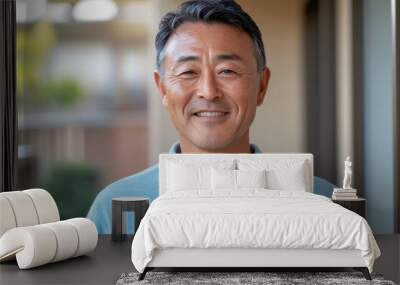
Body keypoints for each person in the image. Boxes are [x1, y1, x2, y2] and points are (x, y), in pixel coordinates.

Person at [87, 0, 335, 234]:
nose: (208, 91)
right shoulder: (115, 209)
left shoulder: (325, 201)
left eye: (227, 71)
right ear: (162, 88)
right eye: (188, 72)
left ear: (261, 86)